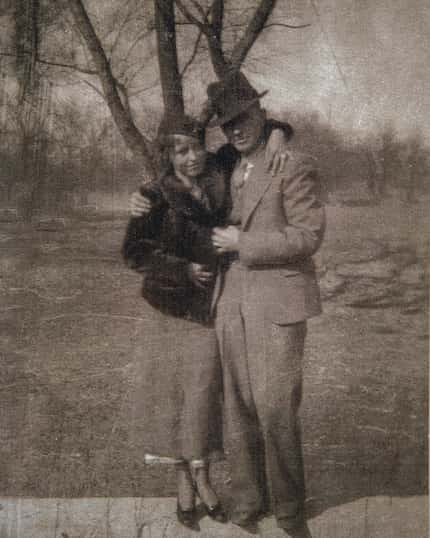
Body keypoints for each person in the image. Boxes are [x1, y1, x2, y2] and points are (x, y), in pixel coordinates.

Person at [123, 111, 291, 530]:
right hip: (167, 311)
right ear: (168, 155)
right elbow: (134, 253)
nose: (191, 157)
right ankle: (185, 482)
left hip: (211, 309)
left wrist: (278, 137)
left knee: (202, 397)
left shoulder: (220, 172)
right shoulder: (154, 194)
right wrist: (180, 270)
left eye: (197, 147)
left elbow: (261, 128)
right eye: (180, 151)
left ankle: (203, 475)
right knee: (171, 400)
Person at [208, 71, 326, 537]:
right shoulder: (224, 164)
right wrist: (143, 196)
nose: (236, 129)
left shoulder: (291, 164)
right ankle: (248, 501)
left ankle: (291, 512)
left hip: (278, 304)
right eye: (227, 124)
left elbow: (308, 235)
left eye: (243, 118)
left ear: (261, 112)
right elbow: (177, 161)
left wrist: (245, 241)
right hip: (231, 302)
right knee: (237, 408)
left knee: (276, 408)